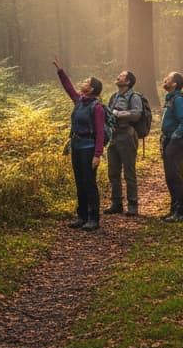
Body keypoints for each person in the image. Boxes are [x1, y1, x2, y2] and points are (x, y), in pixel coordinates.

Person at [52, 56, 105, 231]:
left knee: (89, 182)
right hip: (76, 146)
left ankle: (94, 218)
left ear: (91, 89)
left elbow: (100, 133)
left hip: (89, 148)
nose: (82, 83)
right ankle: (81, 216)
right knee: (79, 182)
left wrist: (97, 155)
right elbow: (68, 88)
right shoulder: (79, 101)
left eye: (86, 82)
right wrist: (60, 70)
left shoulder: (97, 107)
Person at [103, 69, 142, 216]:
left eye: (121, 76)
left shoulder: (134, 96)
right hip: (114, 136)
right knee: (113, 172)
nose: (118, 76)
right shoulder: (114, 96)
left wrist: (118, 114)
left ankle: (133, 206)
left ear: (128, 81)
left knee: (129, 172)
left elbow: (137, 114)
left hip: (127, 135)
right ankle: (116, 203)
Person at [159, 70, 183, 222]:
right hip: (168, 140)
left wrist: (174, 137)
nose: (165, 79)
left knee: (176, 176)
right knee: (170, 176)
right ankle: (174, 210)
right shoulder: (171, 98)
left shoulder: (178, 99)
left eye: (169, 78)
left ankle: (181, 212)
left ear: (175, 84)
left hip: (175, 142)